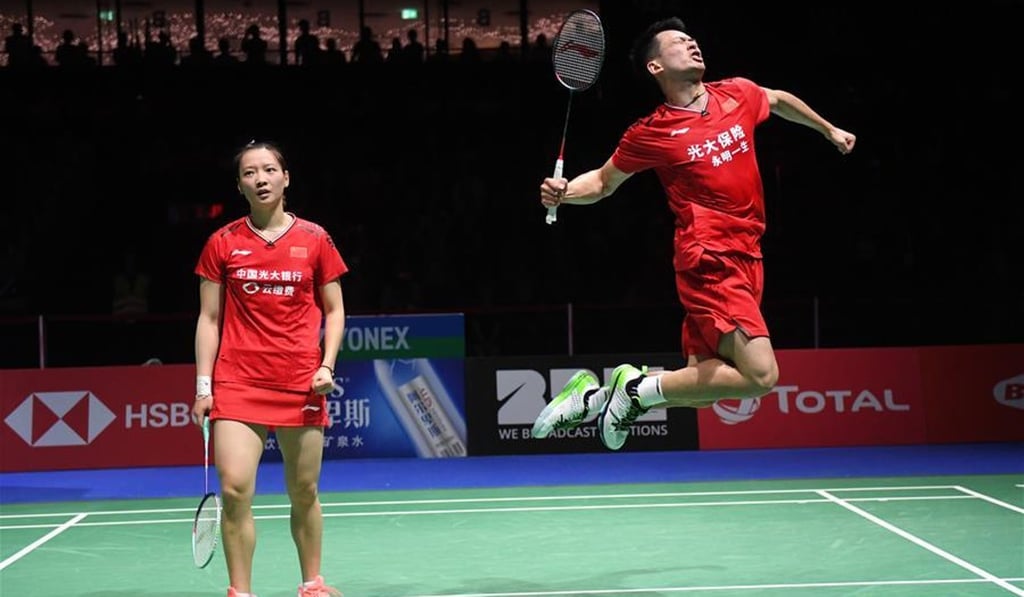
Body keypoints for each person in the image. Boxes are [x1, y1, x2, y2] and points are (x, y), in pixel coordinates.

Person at [531, 17, 856, 450]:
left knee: (706, 388)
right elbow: (605, 182)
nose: (692, 44)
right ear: (656, 68)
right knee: (761, 376)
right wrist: (565, 192)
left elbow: (776, 100)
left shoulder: (736, 94)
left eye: (692, 39)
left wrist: (828, 128)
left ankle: (592, 397)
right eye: (679, 43)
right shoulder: (652, 132)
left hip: (748, 252)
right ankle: (633, 390)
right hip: (709, 256)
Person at [191, 140, 348, 597]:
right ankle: (241, 591)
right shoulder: (222, 242)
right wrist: (205, 385)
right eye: (249, 173)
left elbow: (335, 311)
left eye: (268, 170)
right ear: (239, 185)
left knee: (304, 491)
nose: (260, 179)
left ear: (286, 178)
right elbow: (209, 318)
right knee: (236, 489)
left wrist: (326, 364)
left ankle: (312, 583)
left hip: (300, 382)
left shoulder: (315, 239)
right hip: (237, 381)